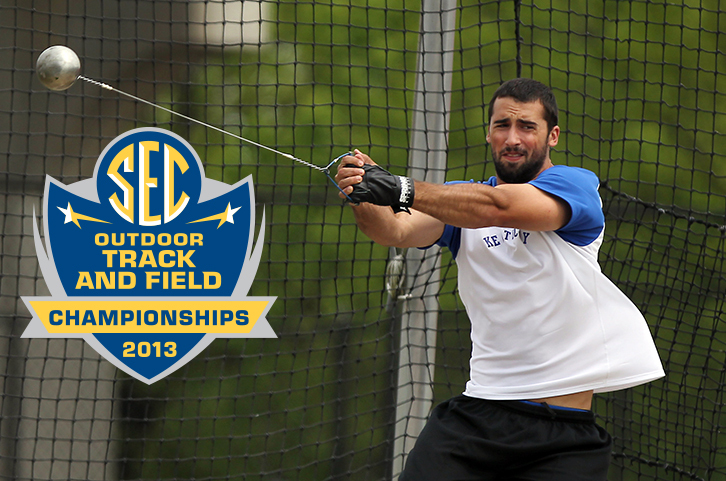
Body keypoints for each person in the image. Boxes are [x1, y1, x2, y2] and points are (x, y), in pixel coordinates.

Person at [334, 78, 664, 481]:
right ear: (488, 132)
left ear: (552, 135)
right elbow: (395, 232)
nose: (513, 138)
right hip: (477, 418)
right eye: (502, 126)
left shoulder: (574, 185)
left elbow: (499, 208)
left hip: (562, 436)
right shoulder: (461, 199)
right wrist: (360, 192)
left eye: (527, 126)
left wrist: (401, 188)